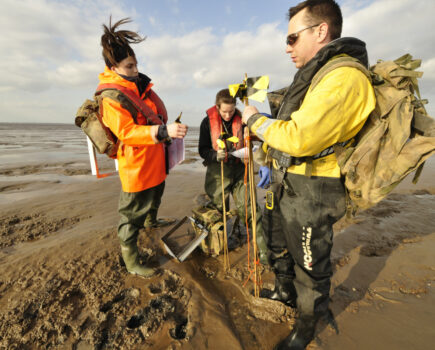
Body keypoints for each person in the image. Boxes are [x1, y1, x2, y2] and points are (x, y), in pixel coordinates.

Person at [242, 1, 376, 348]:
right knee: (275, 242)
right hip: (286, 180)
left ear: (321, 31)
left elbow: (299, 136)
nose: (287, 48)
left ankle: (306, 325)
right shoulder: (317, 76)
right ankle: (285, 292)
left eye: (292, 38)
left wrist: (255, 120)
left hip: (314, 187)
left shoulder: (345, 77)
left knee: (309, 263)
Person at [99, 18, 188, 278]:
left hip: (155, 157)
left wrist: (168, 130)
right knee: (130, 214)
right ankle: (131, 261)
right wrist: (164, 131)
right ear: (112, 67)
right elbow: (126, 132)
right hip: (136, 165)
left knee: (156, 195)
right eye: (129, 66)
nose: (135, 69)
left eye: (136, 63)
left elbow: (155, 115)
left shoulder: (139, 86)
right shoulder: (111, 97)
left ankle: (152, 221)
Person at [198, 89, 268, 263]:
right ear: (217, 107)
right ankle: (216, 246)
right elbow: (202, 150)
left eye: (231, 111)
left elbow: (259, 139)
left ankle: (263, 251)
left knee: (250, 208)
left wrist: (253, 140)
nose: (228, 115)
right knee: (217, 211)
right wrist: (215, 155)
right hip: (217, 171)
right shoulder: (207, 123)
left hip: (240, 170)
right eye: (224, 112)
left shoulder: (244, 121)